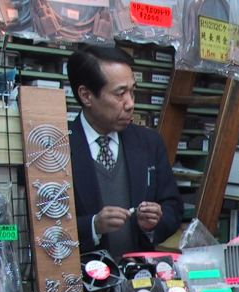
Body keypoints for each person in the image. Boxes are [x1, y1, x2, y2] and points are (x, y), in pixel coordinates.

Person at [67, 46, 182, 259]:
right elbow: (47, 227)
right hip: (84, 284)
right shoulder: (59, 149)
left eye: (132, 91)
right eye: (120, 93)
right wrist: (93, 226)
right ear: (86, 96)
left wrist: (153, 223)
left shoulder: (149, 143)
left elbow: (173, 207)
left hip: (141, 281)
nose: (130, 104)